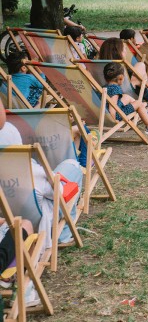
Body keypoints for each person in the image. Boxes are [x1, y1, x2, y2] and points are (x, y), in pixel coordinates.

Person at [0, 106, 85, 253]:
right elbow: (59, 192)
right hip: (34, 220)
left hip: (5, 216)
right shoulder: (27, 171)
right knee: (72, 166)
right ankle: (63, 233)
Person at [102, 62, 148, 137]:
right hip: (117, 115)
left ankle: (144, 111)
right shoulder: (115, 88)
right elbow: (112, 105)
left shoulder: (105, 86)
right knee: (138, 103)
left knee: (126, 96)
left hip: (108, 111)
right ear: (121, 78)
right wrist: (113, 120)